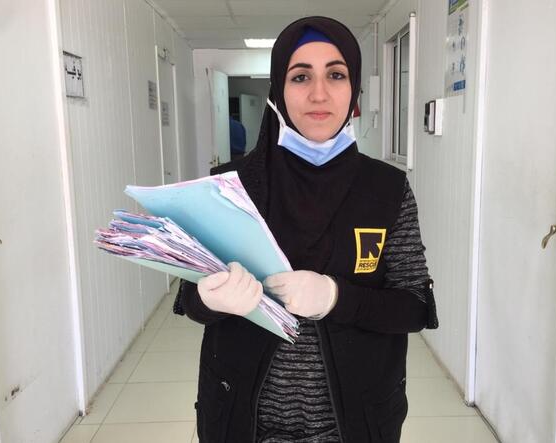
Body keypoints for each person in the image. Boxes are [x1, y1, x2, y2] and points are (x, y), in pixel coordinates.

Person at [174, 16, 438, 443]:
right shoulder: (231, 185)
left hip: (354, 423)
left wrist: (336, 297)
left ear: (354, 91)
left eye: (336, 74)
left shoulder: (386, 189)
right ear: (279, 89)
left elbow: (413, 306)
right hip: (244, 420)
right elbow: (191, 302)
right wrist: (209, 297)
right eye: (301, 77)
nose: (319, 93)